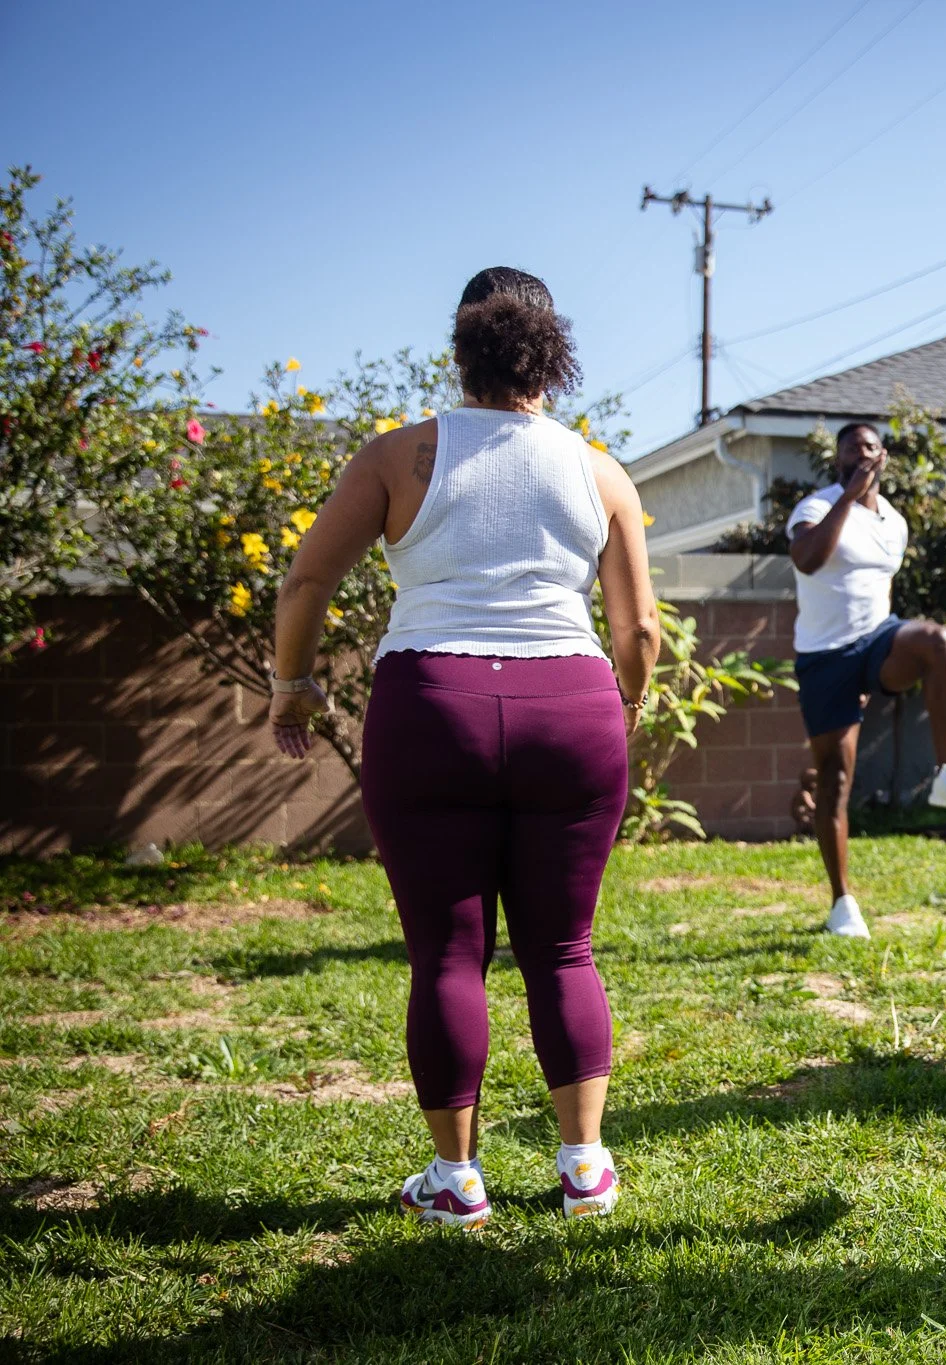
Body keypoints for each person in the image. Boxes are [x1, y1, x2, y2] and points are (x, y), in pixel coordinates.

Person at [268, 267, 657, 1227]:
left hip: (430, 704)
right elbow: (638, 631)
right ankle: (584, 1168)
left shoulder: (400, 457)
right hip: (570, 707)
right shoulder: (598, 469)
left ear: (462, 346)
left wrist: (294, 682)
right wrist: (629, 703)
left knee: (447, 954)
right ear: (550, 352)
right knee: (564, 946)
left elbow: (305, 583)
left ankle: (457, 1180)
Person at [787, 422, 946, 939]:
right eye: (851, 452)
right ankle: (842, 903)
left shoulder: (894, 523)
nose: (862, 458)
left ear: (884, 457)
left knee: (936, 639)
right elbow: (808, 561)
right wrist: (849, 498)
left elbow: (877, 587)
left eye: (870, 450)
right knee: (834, 781)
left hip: (877, 641)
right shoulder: (816, 507)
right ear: (838, 461)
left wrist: (878, 661)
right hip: (825, 657)